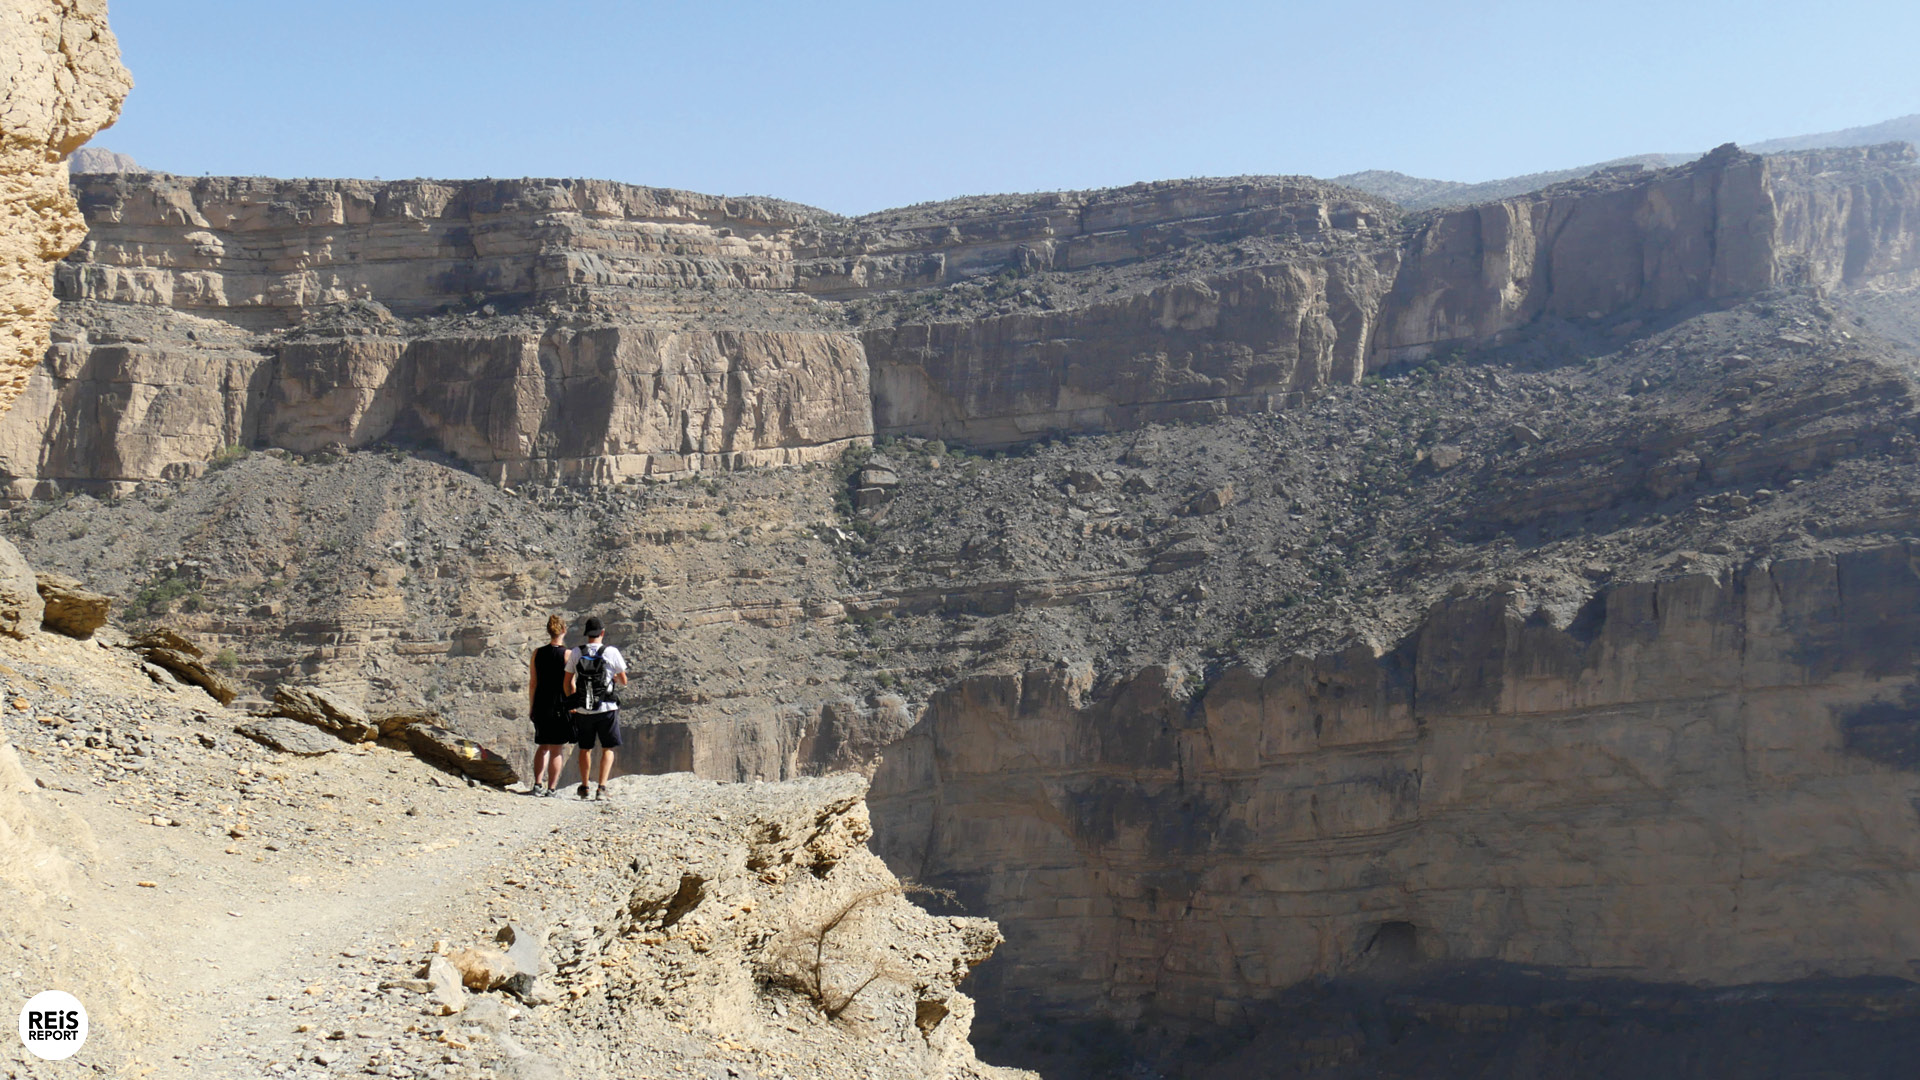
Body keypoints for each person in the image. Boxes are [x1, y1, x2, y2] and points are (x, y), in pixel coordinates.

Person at [564, 616, 627, 801]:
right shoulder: (611, 652)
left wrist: (572, 703)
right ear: (602, 633)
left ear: (587, 634)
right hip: (607, 707)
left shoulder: (576, 652)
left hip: (583, 709)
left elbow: (567, 682)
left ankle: (584, 787)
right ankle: (601, 788)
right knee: (607, 748)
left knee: (585, 749)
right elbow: (624, 681)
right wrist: (613, 678)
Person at [525, 614, 572, 797]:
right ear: (563, 631)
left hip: (541, 704)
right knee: (557, 749)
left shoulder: (537, 653)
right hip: (560, 705)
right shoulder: (567, 655)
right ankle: (551, 789)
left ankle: (537, 784)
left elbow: (533, 683)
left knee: (542, 745)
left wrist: (532, 706)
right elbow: (570, 684)